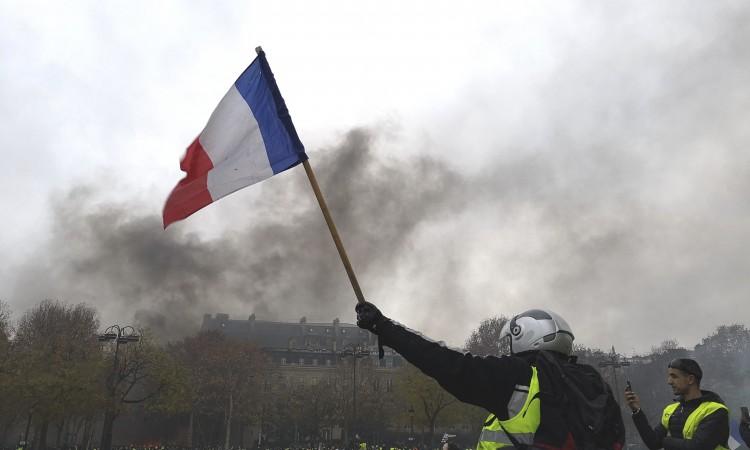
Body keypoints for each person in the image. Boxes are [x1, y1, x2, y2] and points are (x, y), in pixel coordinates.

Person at [355, 303, 625, 450]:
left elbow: (444, 362)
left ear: (525, 337)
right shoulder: (593, 382)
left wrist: (384, 327)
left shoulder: (518, 375)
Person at [624, 358, 729, 450]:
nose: (669, 381)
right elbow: (654, 443)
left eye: (674, 376)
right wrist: (636, 411)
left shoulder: (716, 410)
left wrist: (665, 441)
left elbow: (697, 447)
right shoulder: (670, 410)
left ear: (690, 379)